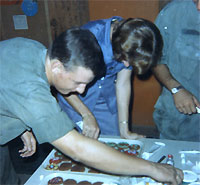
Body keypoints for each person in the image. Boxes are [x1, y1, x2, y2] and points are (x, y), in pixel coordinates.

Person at [0, 28, 183, 185]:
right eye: (78, 82)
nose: (81, 91)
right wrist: (152, 168)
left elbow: (7, 82)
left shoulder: (34, 49)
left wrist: (21, 123)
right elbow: (78, 149)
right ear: (57, 67)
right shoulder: (30, 90)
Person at [57, 17, 163, 139]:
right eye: (125, 59)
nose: (127, 65)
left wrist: (124, 130)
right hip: (75, 97)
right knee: (79, 146)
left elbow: (122, 84)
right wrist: (86, 115)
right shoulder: (88, 37)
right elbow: (63, 82)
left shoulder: (132, 40)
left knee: (114, 143)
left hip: (105, 98)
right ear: (117, 43)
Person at [153, 0, 200, 141]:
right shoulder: (173, 13)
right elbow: (156, 59)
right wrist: (176, 89)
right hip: (180, 119)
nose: (198, 6)